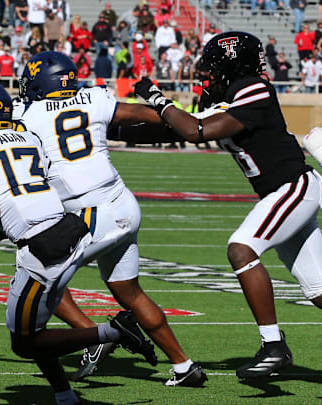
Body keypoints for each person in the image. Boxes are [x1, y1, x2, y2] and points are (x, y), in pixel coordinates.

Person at [0, 80, 156, 404]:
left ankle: (112, 332)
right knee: (35, 327)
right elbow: (16, 204)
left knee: (24, 343)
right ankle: (65, 396)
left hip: (41, 253)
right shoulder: (28, 137)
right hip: (66, 231)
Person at [133, 31, 322, 379]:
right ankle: (274, 346)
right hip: (284, 193)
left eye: (214, 71)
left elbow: (195, 130)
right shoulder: (235, 98)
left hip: (293, 188)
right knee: (319, 289)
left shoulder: (254, 88)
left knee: (241, 249)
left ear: (233, 67)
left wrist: (159, 98)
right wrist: (106, 127)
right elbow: (173, 129)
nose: (209, 78)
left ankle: (273, 346)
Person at [18, 51, 206, 385]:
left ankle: (99, 336)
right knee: (128, 291)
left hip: (90, 211)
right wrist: (183, 120)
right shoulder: (93, 97)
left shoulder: (29, 114)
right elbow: (145, 115)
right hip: (123, 203)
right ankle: (184, 365)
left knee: (36, 274)